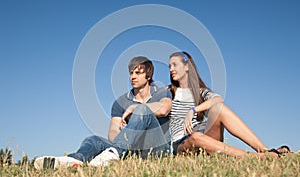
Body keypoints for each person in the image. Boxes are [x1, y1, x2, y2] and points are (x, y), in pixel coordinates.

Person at [34, 56, 172, 169]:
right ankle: (73, 160)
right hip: (130, 151)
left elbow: (164, 109)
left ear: (148, 76)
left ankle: (112, 154)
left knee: (142, 110)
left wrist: (134, 108)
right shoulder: (121, 102)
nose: (133, 77)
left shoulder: (161, 92)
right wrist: (123, 137)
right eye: (131, 73)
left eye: (138, 73)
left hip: (157, 149)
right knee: (93, 140)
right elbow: (113, 131)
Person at [168, 51, 290, 158]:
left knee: (218, 108)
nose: (171, 69)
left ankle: (267, 151)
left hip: (206, 136)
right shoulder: (168, 92)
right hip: (183, 144)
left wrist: (193, 110)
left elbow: (217, 99)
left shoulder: (200, 92)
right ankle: (257, 157)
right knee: (195, 137)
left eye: (175, 65)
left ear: (187, 66)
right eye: (169, 66)